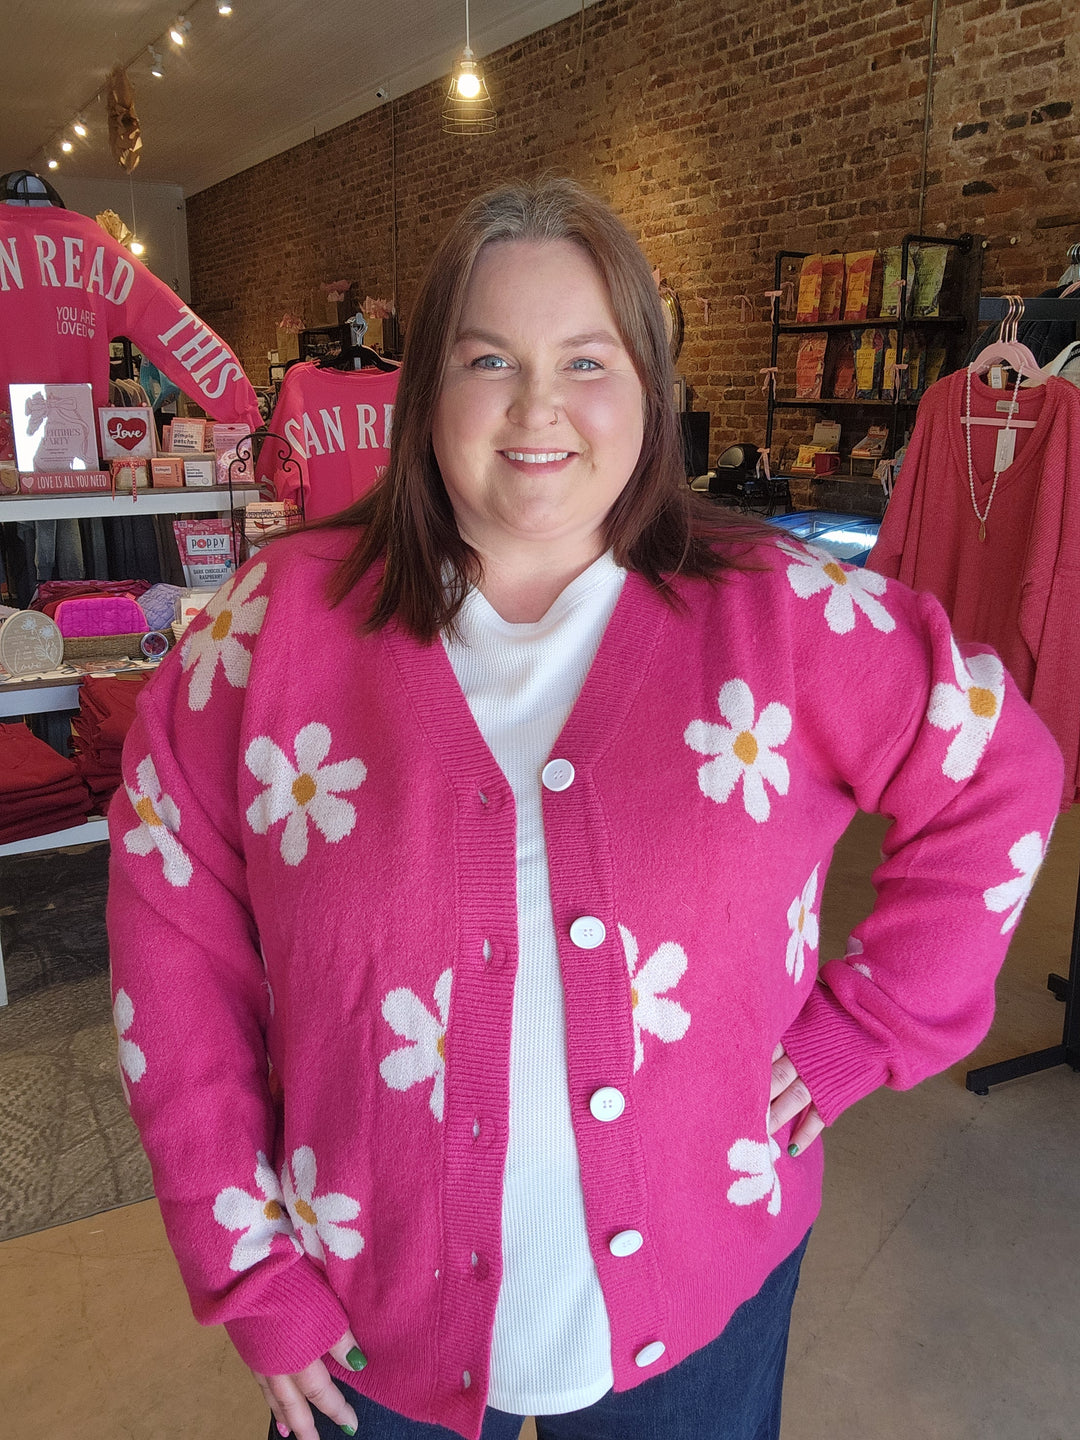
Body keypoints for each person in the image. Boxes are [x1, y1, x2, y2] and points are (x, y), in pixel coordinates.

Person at [107, 177, 1063, 1440]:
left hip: (707, 1277)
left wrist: (872, 1021)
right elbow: (170, 963)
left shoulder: (781, 614)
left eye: (587, 359)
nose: (538, 406)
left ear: (652, 392)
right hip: (358, 1311)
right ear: (425, 394)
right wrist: (248, 1273)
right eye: (488, 356)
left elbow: (1000, 766)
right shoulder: (263, 632)